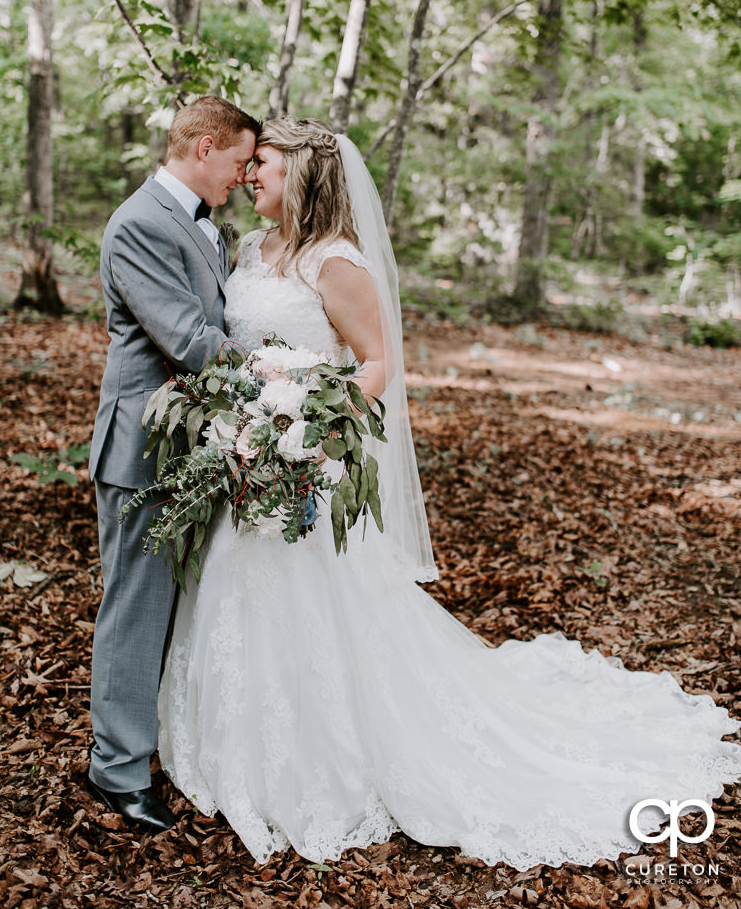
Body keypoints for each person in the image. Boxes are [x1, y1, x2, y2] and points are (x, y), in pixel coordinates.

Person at [157, 117, 741, 867]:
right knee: (236, 595)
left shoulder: (335, 264)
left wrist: (314, 431)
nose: (249, 175)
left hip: (301, 461)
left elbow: (373, 365)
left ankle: (321, 759)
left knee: (309, 608)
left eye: (262, 163)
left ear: (300, 173)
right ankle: (231, 747)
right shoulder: (246, 248)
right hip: (243, 456)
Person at [87, 95, 259, 834]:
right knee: (136, 608)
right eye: (239, 160)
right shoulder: (138, 225)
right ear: (202, 147)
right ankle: (116, 771)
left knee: (184, 608)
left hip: (199, 446)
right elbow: (189, 339)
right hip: (143, 449)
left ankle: (171, 747)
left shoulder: (209, 229)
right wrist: (287, 376)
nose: (245, 176)